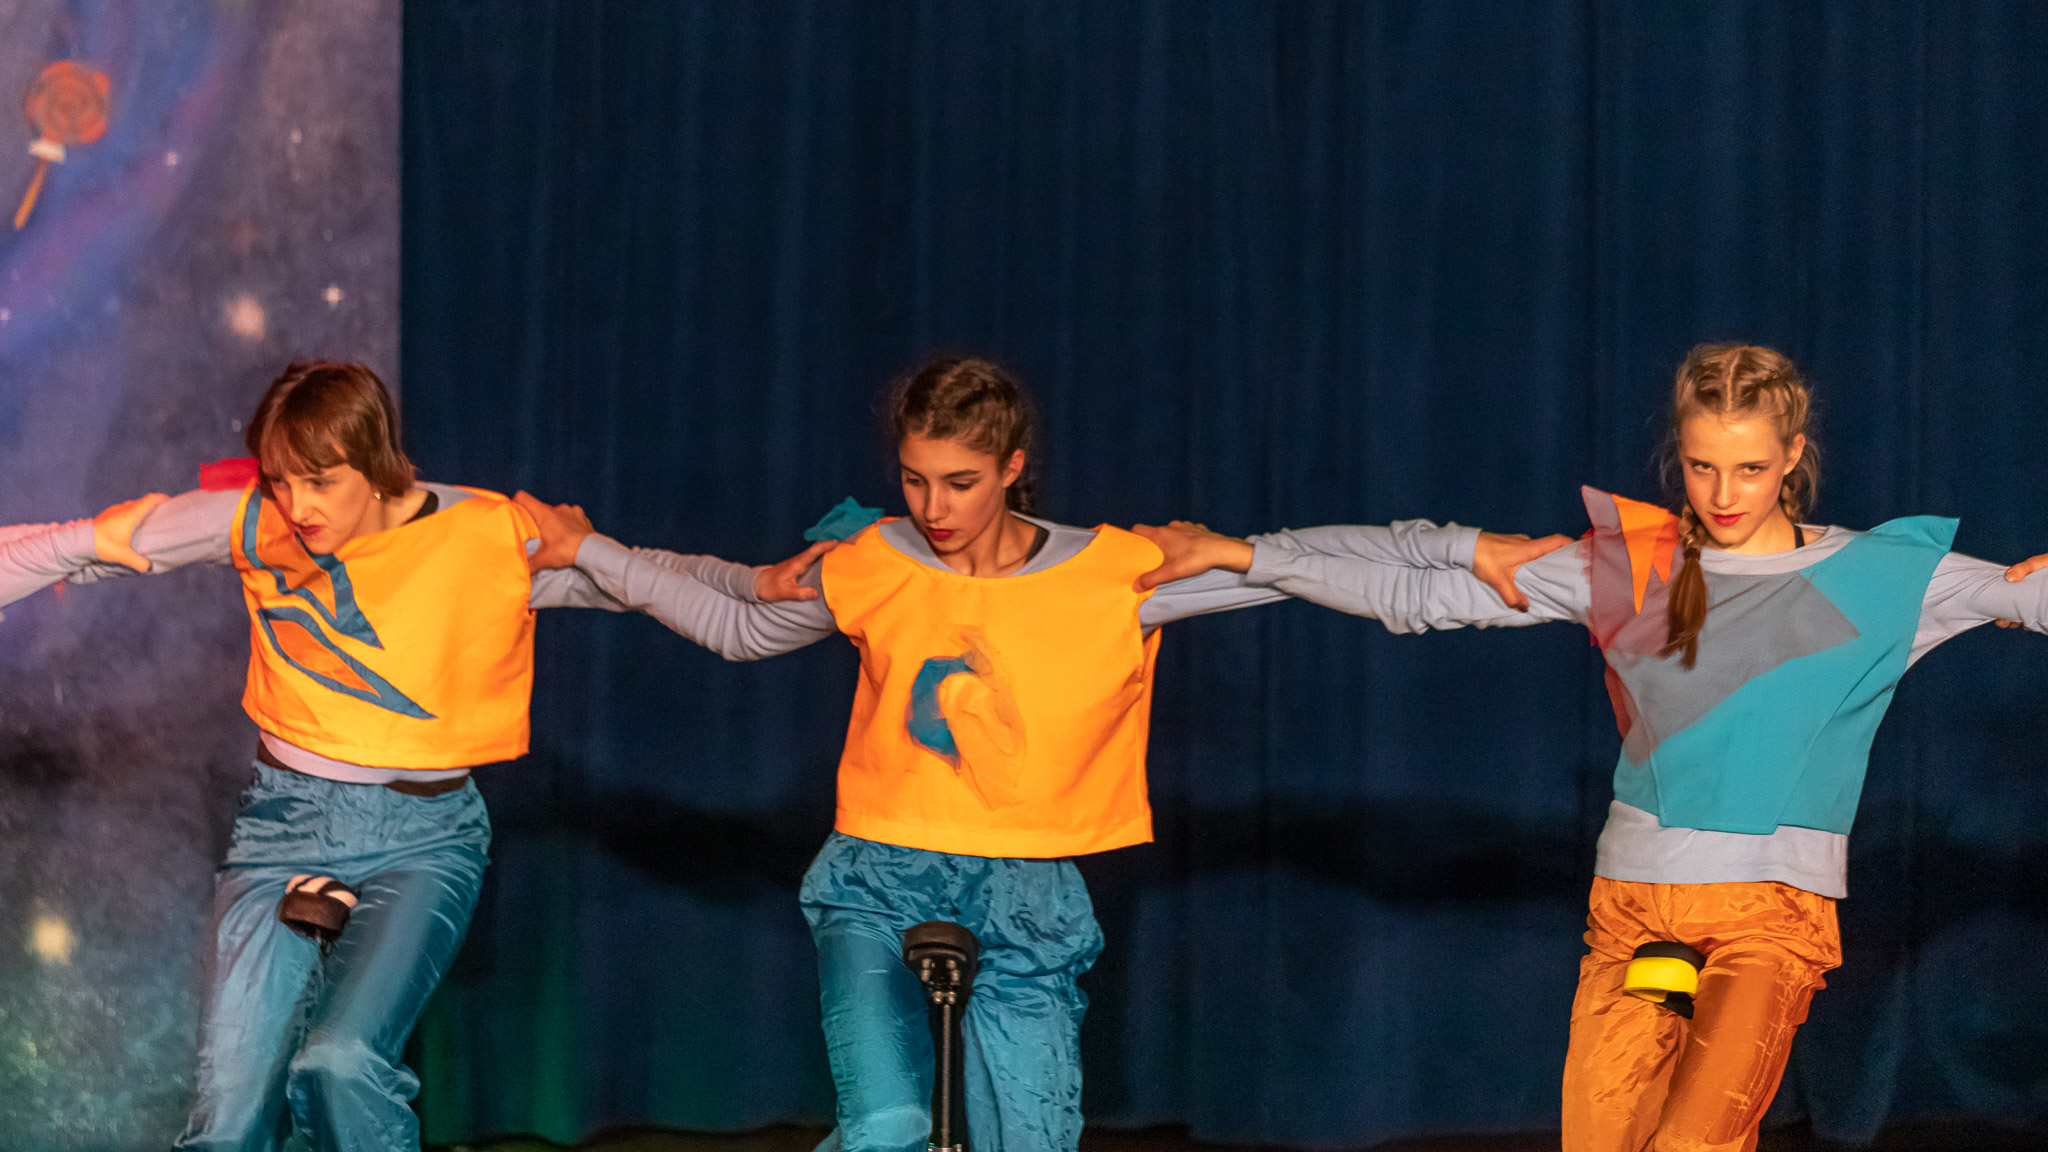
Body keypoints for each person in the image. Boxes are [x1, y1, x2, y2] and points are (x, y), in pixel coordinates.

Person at [515, 356, 1549, 1152]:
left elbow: (1300, 562)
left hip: (1027, 896)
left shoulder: (1112, 575)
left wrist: (1467, 549)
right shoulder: (875, 560)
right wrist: (588, 554)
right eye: (915, 481)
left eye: (960, 483)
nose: (934, 510)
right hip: (877, 879)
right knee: (886, 1128)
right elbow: (740, 616)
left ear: (1012, 470)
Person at [1137, 343, 2048, 1152]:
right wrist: (1247, 556)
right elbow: (1414, 590)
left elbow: (2025, 596)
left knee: (1694, 1142)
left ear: (1793, 457)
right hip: (1634, 907)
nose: (1724, 495)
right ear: (1678, 457)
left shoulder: (1883, 577)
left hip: (1769, 916)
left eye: (1750, 469)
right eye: (1702, 467)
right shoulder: (1637, 566)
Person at [0, 361, 645, 1152]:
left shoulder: (478, 533)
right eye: (280, 482)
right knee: (230, 1121)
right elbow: (73, 550)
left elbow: (648, 586)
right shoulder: (255, 521)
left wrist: (751, 593)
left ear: (374, 465)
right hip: (291, 824)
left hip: (423, 833)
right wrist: (92, 540)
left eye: (319, 481)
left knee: (338, 1065)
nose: (298, 506)